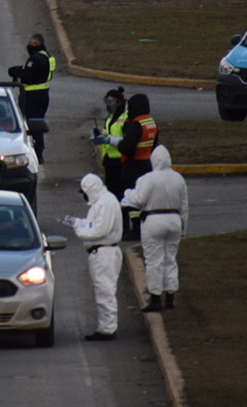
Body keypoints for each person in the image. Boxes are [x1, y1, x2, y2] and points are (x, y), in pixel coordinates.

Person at [121, 145, 189, 312]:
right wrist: (183, 229)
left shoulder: (148, 179)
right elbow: (184, 206)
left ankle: (156, 298)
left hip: (153, 220)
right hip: (174, 220)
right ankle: (171, 296)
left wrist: (128, 193)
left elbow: (138, 200)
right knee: (170, 259)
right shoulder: (178, 178)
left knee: (154, 261)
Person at [64, 174, 124, 341]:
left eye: (84, 192)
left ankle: (108, 329)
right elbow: (94, 225)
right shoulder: (102, 202)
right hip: (102, 252)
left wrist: (78, 231)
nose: (83, 195)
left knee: (105, 290)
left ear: (90, 190)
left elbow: (99, 231)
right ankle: (106, 326)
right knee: (102, 289)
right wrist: (78, 222)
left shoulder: (105, 203)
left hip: (104, 253)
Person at [117, 93, 158, 241]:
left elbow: (128, 148)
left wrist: (119, 143)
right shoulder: (150, 122)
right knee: (145, 198)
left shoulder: (136, 124)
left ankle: (136, 228)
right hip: (147, 164)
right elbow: (154, 145)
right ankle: (143, 226)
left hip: (133, 166)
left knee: (132, 198)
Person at [7, 32, 54, 163]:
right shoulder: (47, 57)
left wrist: (14, 71)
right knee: (37, 122)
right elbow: (34, 71)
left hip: (32, 96)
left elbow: (28, 74)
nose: (28, 46)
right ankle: (37, 151)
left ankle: (37, 153)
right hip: (43, 94)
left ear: (35, 44)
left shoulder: (36, 58)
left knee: (33, 124)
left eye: (29, 43)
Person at [91, 87, 129, 237]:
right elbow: (110, 132)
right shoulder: (110, 117)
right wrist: (101, 135)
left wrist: (108, 139)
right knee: (112, 197)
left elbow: (126, 140)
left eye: (110, 102)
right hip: (110, 163)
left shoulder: (125, 118)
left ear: (119, 102)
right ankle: (115, 226)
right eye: (106, 102)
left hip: (121, 162)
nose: (108, 105)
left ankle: (125, 226)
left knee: (122, 197)